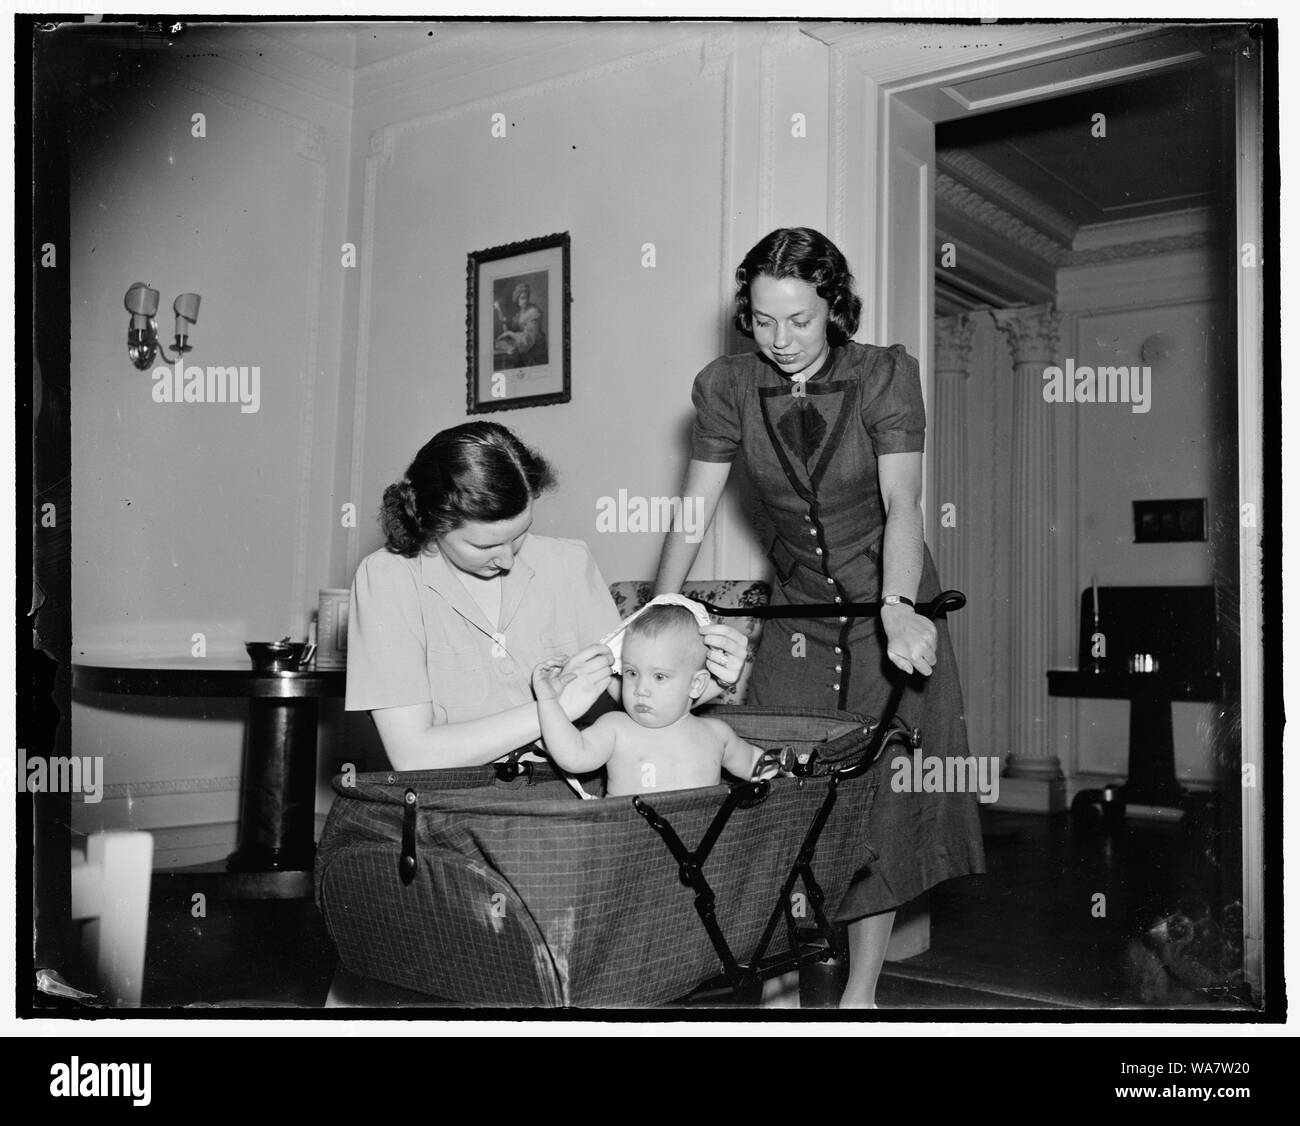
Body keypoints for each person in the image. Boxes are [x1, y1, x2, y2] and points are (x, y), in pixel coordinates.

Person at [654, 227, 985, 1008]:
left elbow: (903, 501)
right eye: (764, 321)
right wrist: (666, 609)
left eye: (800, 320)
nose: (781, 340)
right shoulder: (728, 386)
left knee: (884, 794)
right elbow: (692, 511)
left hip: (888, 601)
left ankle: (859, 995)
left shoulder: (883, 377)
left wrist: (900, 610)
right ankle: (789, 967)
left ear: (834, 306)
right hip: (799, 609)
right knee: (783, 784)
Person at [345, 420, 750, 772]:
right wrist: (554, 710)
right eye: (485, 547)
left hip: (571, 795)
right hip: (451, 806)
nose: (506, 560)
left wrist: (709, 678)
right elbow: (413, 755)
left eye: (519, 535)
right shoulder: (388, 578)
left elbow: (634, 702)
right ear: (433, 524)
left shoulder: (568, 562)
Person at [533, 604, 768, 795]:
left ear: (696, 684)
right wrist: (548, 703)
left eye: (659, 676)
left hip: (702, 845)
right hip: (631, 842)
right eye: (632, 673)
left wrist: (793, 770)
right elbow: (573, 756)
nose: (640, 689)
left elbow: (753, 764)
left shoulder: (717, 734)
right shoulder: (616, 727)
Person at [493, 282, 547, 369]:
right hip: (523, 347)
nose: (525, 301)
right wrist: (501, 315)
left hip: (535, 351)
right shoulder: (519, 314)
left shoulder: (534, 313)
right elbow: (512, 329)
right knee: (500, 344)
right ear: (517, 301)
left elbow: (527, 340)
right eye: (522, 298)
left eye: (526, 298)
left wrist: (510, 333)